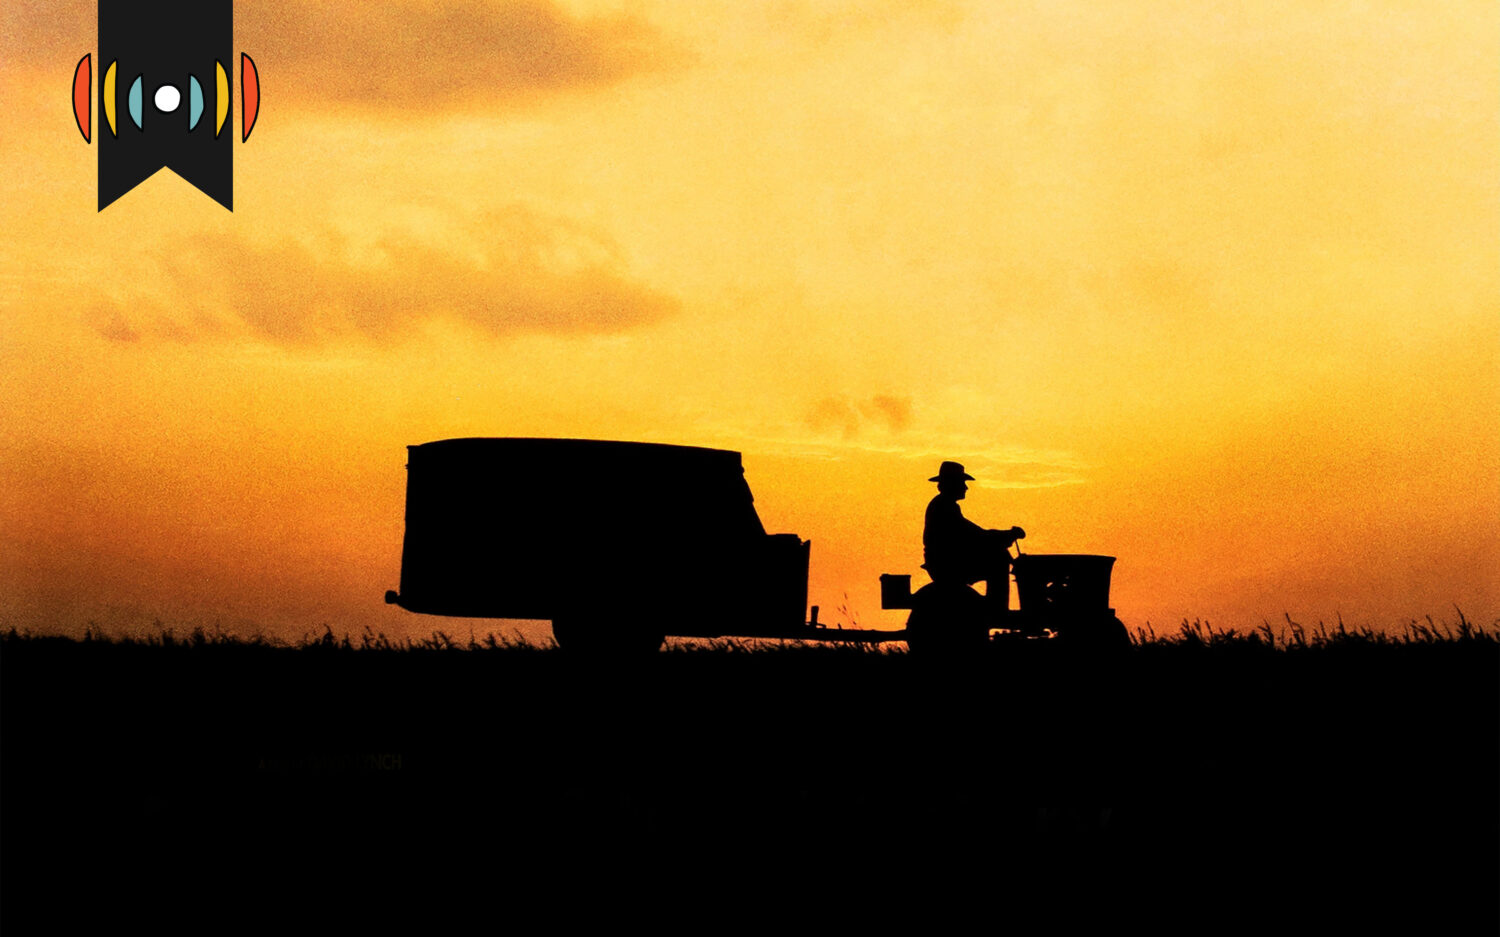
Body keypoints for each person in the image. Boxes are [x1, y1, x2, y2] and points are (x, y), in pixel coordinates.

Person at [922, 461, 1024, 610]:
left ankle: (996, 607)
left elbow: (974, 534)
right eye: (961, 482)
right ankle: (997, 609)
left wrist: (1002, 536)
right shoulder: (943, 507)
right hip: (947, 563)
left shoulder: (945, 506)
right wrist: (1005, 536)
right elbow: (974, 535)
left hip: (946, 561)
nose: (965, 487)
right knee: (999, 559)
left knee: (999, 554)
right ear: (951, 483)